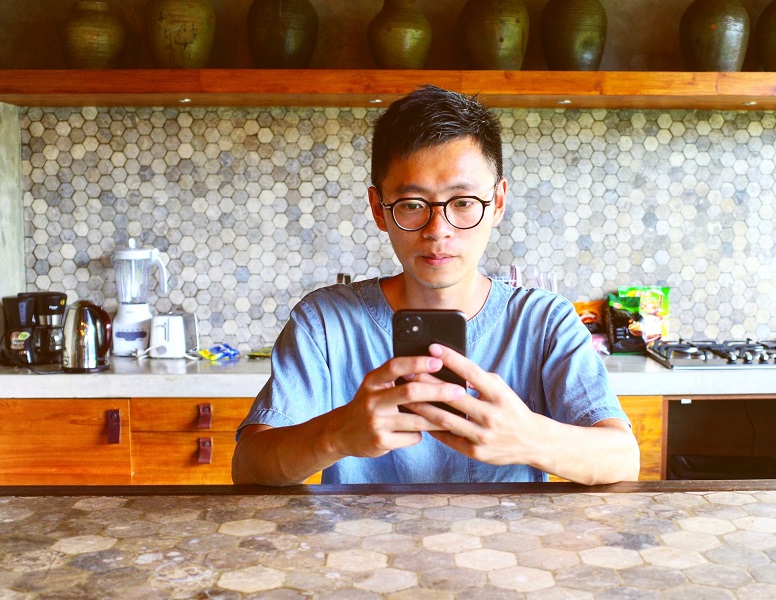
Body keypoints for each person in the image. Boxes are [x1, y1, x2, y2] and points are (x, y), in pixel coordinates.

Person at [232, 85, 640, 486]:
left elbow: (622, 460)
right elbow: (249, 466)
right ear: (379, 209)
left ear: (497, 202)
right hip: (361, 551)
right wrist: (336, 434)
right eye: (412, 205)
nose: (438, 230)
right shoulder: (325, 323)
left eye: (463, 202)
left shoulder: (543, 320)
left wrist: (529, 438)